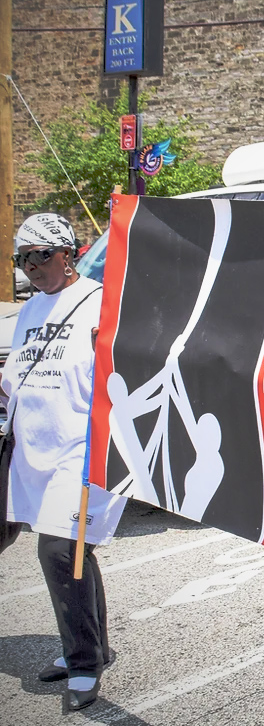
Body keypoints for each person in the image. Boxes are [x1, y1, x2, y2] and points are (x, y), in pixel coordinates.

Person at [2, 213, 125, 712]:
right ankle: (97, 647)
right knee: (73, 553)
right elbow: (14, 379)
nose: (30, 266)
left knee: (59, 550)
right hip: (33, 448)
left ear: (67, 255)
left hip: (80, 450)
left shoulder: (99, 301)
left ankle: (81, 663)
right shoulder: (30, 311)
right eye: (21, 258)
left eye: (39, 255)